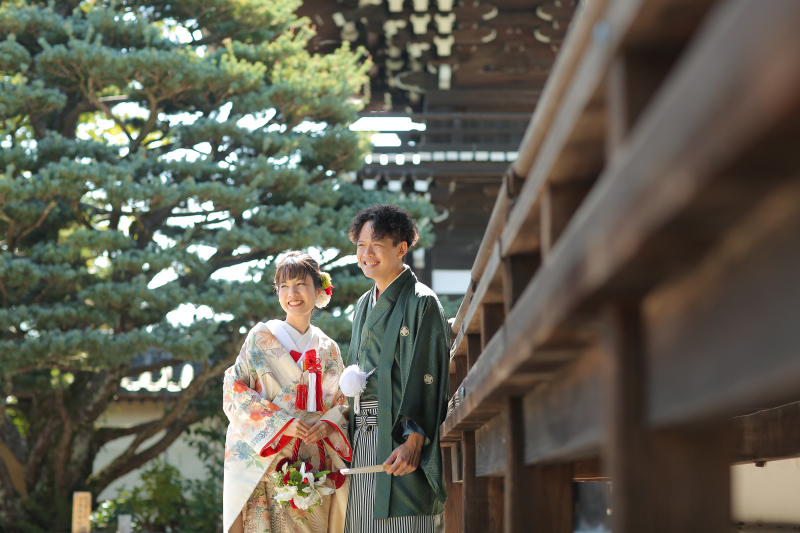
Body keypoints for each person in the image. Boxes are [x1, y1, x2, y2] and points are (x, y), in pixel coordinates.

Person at [223, 251, 351, 533]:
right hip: (268, 463)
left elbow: (342, 403)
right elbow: (235, 391)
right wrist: (282, 423)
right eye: (283, 286)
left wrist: (327, 424)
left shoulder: (328, 348)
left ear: (318, 290)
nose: (291, 293)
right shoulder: (260, 339)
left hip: (316, 466)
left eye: (300, 284)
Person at [342, 205, 449, 533]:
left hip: (400, 437)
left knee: (406, 520)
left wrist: (414, 441)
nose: (367, 253)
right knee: (362, 522)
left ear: (401, 248)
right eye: (361, 245)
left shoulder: (422, 302)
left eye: (377, 244)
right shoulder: (362, 304)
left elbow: (430, 378)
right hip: (363, 437)